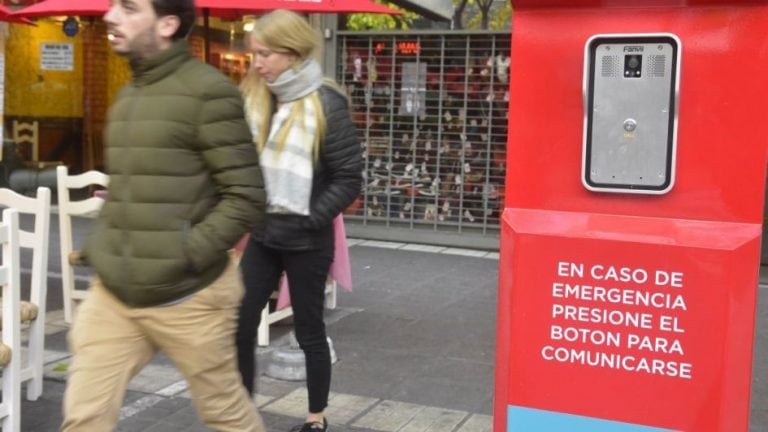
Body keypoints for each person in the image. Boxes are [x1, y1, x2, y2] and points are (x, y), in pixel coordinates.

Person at [60, 0, 267, 431]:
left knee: (225, 414)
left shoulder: (208, 91)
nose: (110, 16)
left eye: (129, 8)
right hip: (116, 294)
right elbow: (131, 187)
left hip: (190, 295)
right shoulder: (129, 92)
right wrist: (102, 246)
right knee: (84, 417)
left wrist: (186, 251)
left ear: (168, 24)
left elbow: (246, 195)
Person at [236, 9, 363, 432]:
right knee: (239, 318)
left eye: (266, 54)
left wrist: (312, 217)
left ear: (292, 53)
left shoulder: (327, 101)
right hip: (264, 232)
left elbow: (348, 178)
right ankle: (241, 410)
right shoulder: (258, 98)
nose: (257, 63)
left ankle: (315, 419)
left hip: (307, 238)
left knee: (309, 329)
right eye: (255, 53)